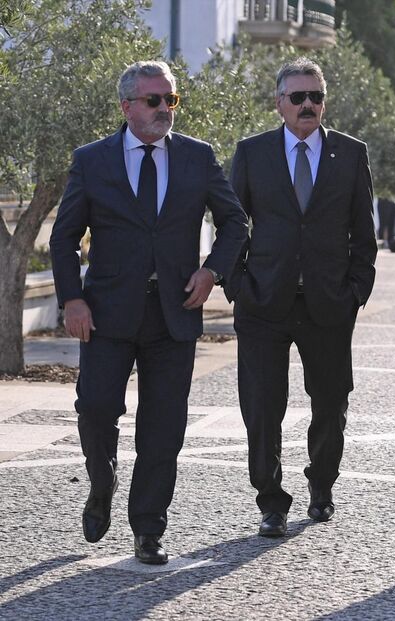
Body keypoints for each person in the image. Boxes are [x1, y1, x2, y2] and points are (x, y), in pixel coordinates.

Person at [49, 61, 247, 564]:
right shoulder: (92, 160)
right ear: (127, 106)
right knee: (95, 409)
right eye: (154, 101)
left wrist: (211, 273)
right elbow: (64, 235)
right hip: (105, 313)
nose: (165, 110)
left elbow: (235, 223)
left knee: (163, 427)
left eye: (171, 100)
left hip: (173, 312)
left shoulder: (197, 158)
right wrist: (72, 298)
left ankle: (148, 528)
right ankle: (101, 480)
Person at [228, 58, 376, 537]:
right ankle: (270, 501)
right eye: (298, 97)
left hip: (329, 305)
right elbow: (233, 226)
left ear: (324, 103)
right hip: (263, 304)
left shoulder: (351, 155)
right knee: (262, 406)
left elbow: (364, 233)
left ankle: (321, 485)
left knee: (331, 403)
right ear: (280, 104)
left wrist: (356, 291)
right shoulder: (252, 154)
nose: (307, 104)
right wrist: (237, 285)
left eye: (315, 96)